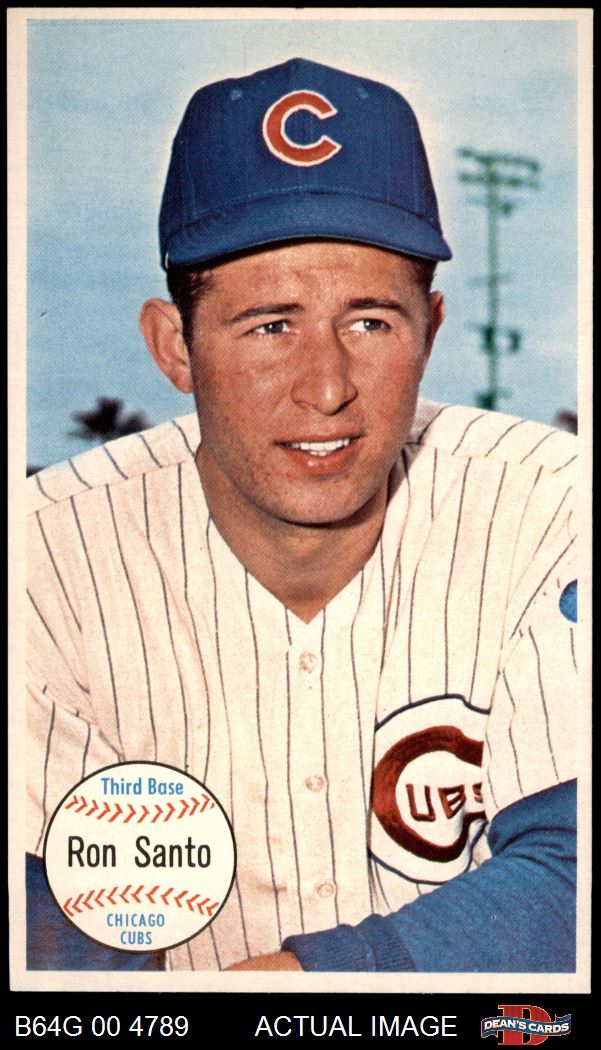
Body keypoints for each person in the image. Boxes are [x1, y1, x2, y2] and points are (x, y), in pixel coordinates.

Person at [26, 57, 578, 973]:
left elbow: (575, 874)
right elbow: (41, 950)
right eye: (270, 325)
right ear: (175, 346)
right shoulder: (40, 558)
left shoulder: (553, 504)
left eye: (370, 322)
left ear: (431, 331)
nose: (326, 389)